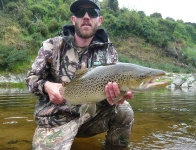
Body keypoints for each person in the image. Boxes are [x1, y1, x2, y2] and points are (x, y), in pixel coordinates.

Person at [25, 0, 134, 149]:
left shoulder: (108, 52)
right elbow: (30, 79)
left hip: (90, 117)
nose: (86, 17)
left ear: (99, 20)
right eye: (80, 12)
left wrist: (117, 97)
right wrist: (47, 86)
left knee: (124, 110)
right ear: (73, 19)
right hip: (56, 119)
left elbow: (111, 97)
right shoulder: (51, 46)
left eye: (93, 13)